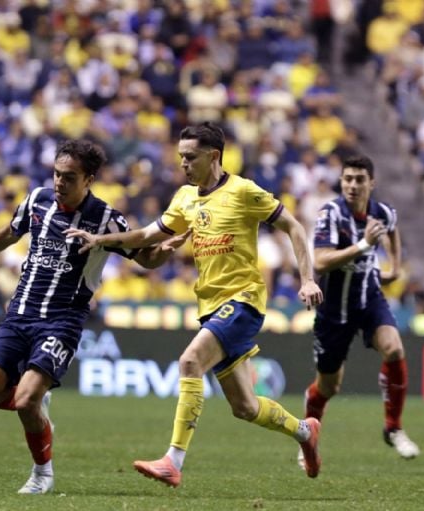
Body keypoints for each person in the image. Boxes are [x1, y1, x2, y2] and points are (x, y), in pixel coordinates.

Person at [65, 122, 325, 487]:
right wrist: (101, 239)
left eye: (190, 157)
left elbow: (295, 227)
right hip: (211, 305)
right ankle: (304, 431)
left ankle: (173, 461)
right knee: (245, 407)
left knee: (189, 361)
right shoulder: (185, 197)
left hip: (244, 300)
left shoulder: (244, 191)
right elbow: (145, 236)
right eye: (180, 157)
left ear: (213, 156)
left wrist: (307, 278)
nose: (183, 164)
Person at [0, 139, 187, 495]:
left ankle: (42, 473)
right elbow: (11, 230)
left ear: (89, 179)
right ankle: (35, 401)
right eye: (56, 174)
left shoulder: (107, 219)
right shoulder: (38, 200)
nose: (59, 182)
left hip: (63, 320)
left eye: (69, 177)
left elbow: (145, 258)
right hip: (20, 313)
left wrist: (165, 253)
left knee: (25, 400)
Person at [299, 154, 420, 466]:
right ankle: (306, 438)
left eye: (359, 179)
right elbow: (321, 261)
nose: (352, 185)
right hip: (334, 310)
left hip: (369, 299)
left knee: (394, 348)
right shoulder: (331, 214)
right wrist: (364, 246)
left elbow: (392, 228)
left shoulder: (382, 212)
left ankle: (393, 428)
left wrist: (394, 264)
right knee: (328, 386)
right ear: (342, 182)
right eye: (347, 179)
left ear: (371, 183)